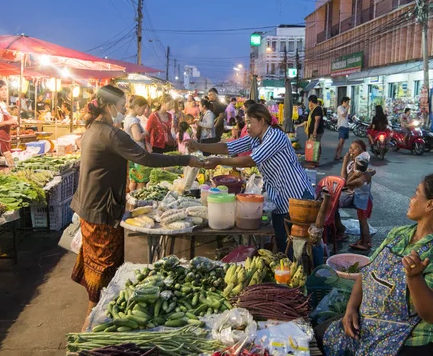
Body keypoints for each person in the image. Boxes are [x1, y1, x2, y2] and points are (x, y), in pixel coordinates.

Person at [71, 85, 202, 331]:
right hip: (101, 209)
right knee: (104, 270)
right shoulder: (111, 134)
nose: (123, 112)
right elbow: (147, 158)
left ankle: (95, 320)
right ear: (110, 107)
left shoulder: (92, 130)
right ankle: (89, 327)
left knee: (97, 266)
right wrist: (185, 159)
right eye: (122, 107)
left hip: (90, 205)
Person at [319, 174, 433, 356]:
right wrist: (351, 309)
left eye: (416, 194)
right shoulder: (399, 234)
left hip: (408, 342)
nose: (411, 199)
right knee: (317, 335)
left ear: (430, 205)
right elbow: (368, 272)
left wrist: (415, 278)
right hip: (370, 328)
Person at [186, 104, 314, 253]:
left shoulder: (275, 136)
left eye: (249, 122)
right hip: (280, 199)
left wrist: (219, 161)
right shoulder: (255, 138)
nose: (247, 126)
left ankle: (318, 272)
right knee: (285, 244)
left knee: (307, 243)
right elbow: (228, 147)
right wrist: (199, 146)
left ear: (262, 121)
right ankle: (288, 272)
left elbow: (250, 160)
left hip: (297, 196)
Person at [337, 141, 375, 251]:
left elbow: (346, 182)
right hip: (360, 198)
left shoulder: (362, 168)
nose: (352, 150)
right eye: (351, 148)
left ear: (362, 152)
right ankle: (365, 241)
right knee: (362, 220)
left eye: (356, 148)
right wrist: (345, 162)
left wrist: (354, 173)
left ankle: (365, 243)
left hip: (364, 200)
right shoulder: (353, 164)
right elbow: (344, 178)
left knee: (363, 221)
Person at [124, 95, 151, 191]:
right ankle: (138, 203)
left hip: (132, 153)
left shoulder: (128, 118)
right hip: (138, 154)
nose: (144, 111)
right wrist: (146, 133)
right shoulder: (133, 120)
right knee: (141, 181)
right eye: (143, 108)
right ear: (137, 107)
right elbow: (137, 137)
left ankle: (130, 203)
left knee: (133, 180)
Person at [305, 94, 324, 162]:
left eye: (309, 102)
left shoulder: (317, 109)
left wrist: (315, 131)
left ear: (311, 101)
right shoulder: (314, 109)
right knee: (317, 146)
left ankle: (314, 162)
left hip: (317, 131)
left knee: (315, 147)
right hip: (315, 131)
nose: (309, 104)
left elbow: (317, 120)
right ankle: (315, 161)